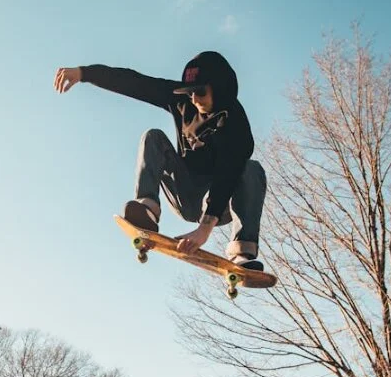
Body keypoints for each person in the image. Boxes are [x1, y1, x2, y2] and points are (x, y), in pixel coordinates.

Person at [53, 51, 267, 271]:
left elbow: (228, 175)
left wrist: (204, 229)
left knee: (251, 169)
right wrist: (84, 73)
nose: (194, 99)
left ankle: (242, 252)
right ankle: (148, 208)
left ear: (221, 89)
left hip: (217, 202)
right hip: (183, 192)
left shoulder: (235, 123)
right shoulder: (182, 101)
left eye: (200, 92)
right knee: (153, 137)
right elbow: (136, 83)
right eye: (190, 92)